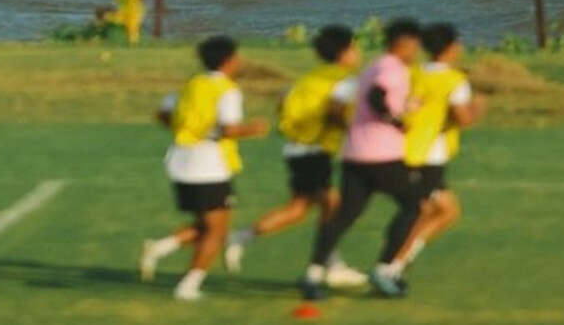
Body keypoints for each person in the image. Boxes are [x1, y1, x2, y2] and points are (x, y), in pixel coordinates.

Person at [224, 25, 367, 288]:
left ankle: (243, 238)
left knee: (301, 209)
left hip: (296, 148)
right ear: (344, 52)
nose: (358, 53)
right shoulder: (344, 79)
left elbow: (283, 102)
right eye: (355, 48)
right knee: (331, 206)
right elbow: (336, 113)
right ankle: (330, 266)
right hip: (314, 150)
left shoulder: (309, 78)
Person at [300, 18, 424, 300]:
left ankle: (313, 275)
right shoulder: (392, 67)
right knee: (414, 206)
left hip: (354, 153)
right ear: (404, 44)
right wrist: (396, 120)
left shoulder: (373, 65)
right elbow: (376, 97)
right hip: (381, 155)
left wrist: (403, 107)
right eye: (415, 45)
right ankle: (384, 269)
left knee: (345, 216)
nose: (416, 51)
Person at [139, 36, 269, 301]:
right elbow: (228, 129)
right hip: (209, 165)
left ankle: (160, 248)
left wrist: (185, 130)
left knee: (206, 224)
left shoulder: (191, 84)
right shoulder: (227, 90)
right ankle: (188, 285)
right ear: (228, 60)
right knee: (217, 231)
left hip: (180, 161)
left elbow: (163, 113)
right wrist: (253, 129)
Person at [388, 23, 485, 275]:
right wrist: (477, 108)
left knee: (446, 210)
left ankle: (400, 257)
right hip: (429, 154)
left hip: (403, 147)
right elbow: (462, 118)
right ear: (452, 48)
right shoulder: (454, 80)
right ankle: (394, 263)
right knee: (430, 211)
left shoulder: (414, 73)